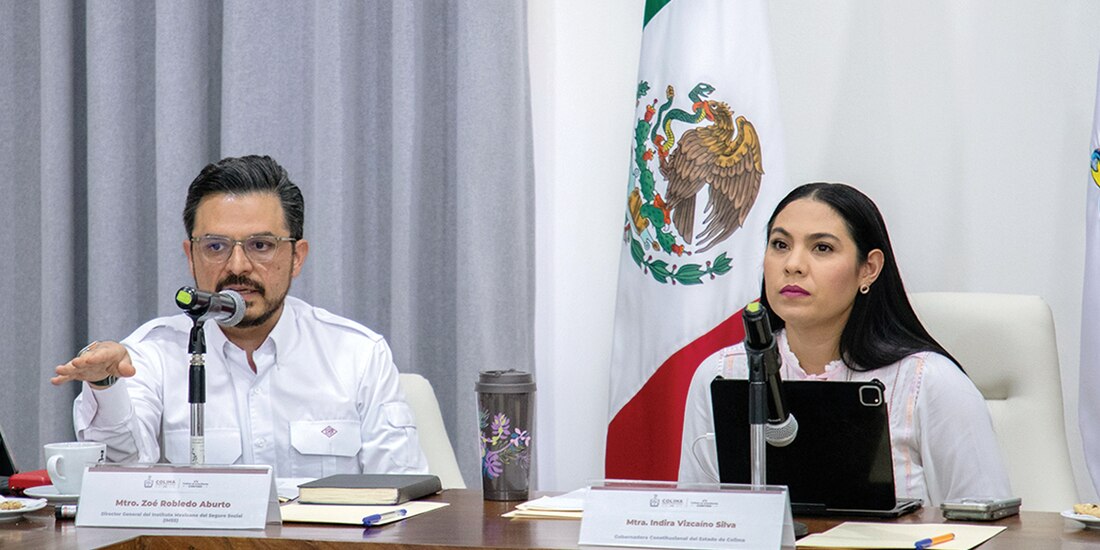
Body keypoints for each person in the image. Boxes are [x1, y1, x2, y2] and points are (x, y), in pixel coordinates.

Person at [51, 155, 428, 478]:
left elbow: (405, 501)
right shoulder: (154, 354)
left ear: (297, 257)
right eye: (215, 246)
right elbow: (122, 475)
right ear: (191, 255)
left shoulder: (357, 355)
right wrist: (107, 384)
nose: (237, 266)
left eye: (260, 246)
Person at [678, 182, 1011, 506]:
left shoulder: (931, 383)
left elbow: (987, 529)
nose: (793, 264)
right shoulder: (722, 373)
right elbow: (699, 523)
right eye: (780, 245)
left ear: (869, 269)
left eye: (822, 248)